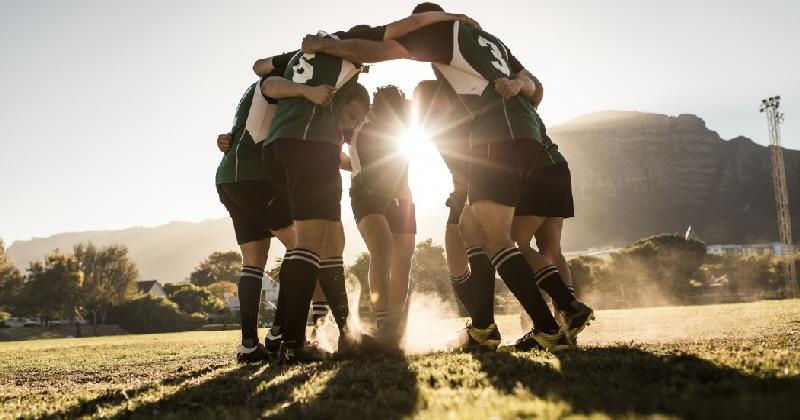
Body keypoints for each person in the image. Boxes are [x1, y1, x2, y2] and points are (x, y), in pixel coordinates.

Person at [302, 2, 594, 352]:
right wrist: (517, 86)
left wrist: (326, 47)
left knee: (494, 238)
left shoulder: (442, 33)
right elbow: (538, 89)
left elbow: (377, 50)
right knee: (473, 228)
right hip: (529, 135)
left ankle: (554, 319)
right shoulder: (489, 41)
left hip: (495, 135)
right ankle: (489, 326)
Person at [259, 10, 483, 364]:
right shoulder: (348, 44)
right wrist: (453, 17)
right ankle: (294, 340)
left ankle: (346, 333)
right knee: (318, 244)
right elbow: (408, 28)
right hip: (311, 146)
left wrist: (304, 74)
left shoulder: (305, 55)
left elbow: (261, 71)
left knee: (331, 244)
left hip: (281, 148)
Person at [214, 61, 333, 362]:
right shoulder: (277, 83)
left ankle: (249, 346)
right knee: (302, 247)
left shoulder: (247, 93)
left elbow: (241, 131)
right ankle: (280, 332)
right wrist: (308, 91)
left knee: (253, 263)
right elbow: (271, 86)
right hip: (253, 178)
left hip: (231, 179)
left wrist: (224, 140)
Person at [347, 85, 416, 349]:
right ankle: (384, 321)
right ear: (375, 110)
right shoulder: (359, 125)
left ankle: (395, 323)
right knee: (383, 250)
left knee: (404, 258)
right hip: (366, 193)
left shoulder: (404, 125)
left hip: (401, 195)